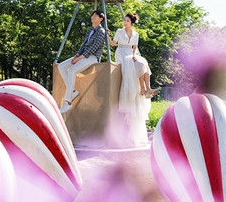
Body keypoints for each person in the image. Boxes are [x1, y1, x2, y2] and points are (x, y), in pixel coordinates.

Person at [109, 13, 155, 146]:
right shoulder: (119, 31)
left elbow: (135, 47)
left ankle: (147, 89)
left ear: (132, 23)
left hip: (131, 53)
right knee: (137, 64)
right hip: (121, 54)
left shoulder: (135, 34)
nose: (125, 22)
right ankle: (143, 89)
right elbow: (113, 44)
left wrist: (134, 55)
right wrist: (108, 35)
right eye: (124, 20)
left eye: (127, 21)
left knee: (142, 62)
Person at [58, 10, 107, 114]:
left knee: (72, 70)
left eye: (95, 15)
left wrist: (79, 58)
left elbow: (93, 48)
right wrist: (76, 55)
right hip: (82, 55)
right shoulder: (90, 30)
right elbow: (84, 45)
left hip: (93, 57)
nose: (93, 17)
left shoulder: (101, 32)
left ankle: (68, 102)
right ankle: (73, 91)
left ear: (101, 19)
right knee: (61, 66)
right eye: (92, 15)